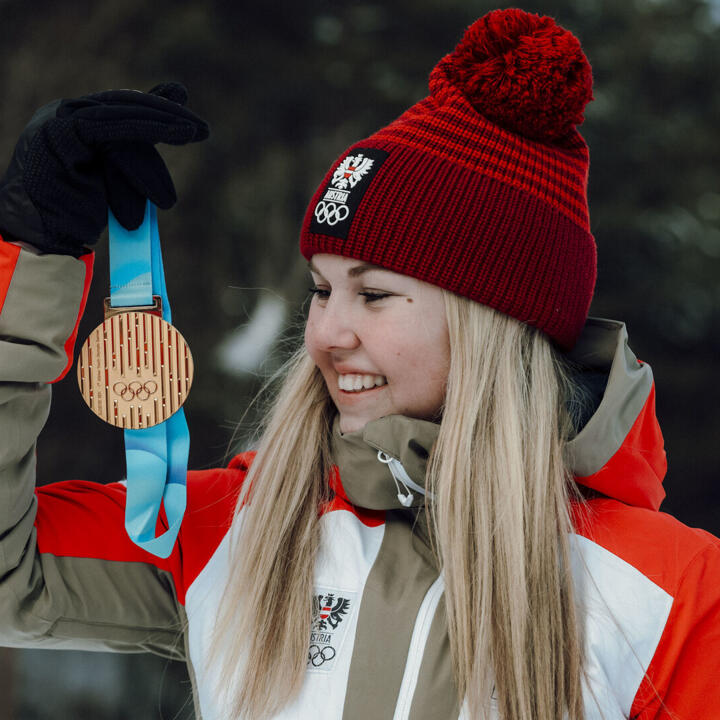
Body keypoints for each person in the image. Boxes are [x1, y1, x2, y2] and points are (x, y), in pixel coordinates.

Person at [1, 8, 719, 720]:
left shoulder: (671, 595)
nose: (325, 334)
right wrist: (32, 247)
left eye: (373, 294)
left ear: (496, 325)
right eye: (320, 290)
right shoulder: (233, 530)